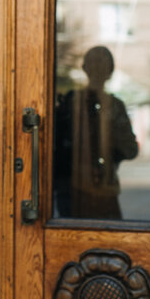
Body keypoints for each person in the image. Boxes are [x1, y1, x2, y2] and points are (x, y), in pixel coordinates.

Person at [54, 46, 138, 219]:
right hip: (71, 190)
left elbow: (130, 149)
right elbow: (56, 144)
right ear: (86, 68)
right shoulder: (70, 102)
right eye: (94, 63)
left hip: (104, 191)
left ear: (110, 71)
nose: (98, 68)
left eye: (103, 63)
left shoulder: (115, 106)